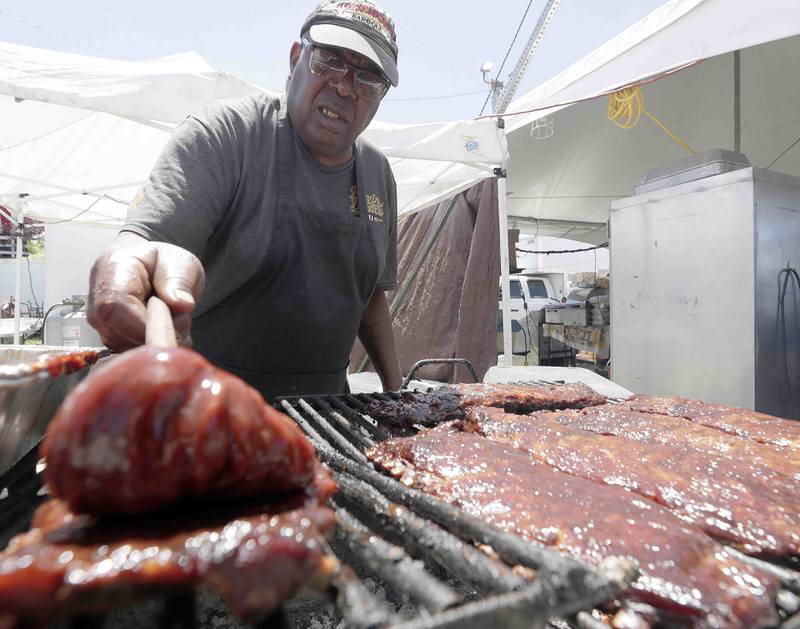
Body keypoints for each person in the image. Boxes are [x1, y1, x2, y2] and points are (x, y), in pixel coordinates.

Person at [87, 0, 403, 401]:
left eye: (367, 78)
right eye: (328, 61)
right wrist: (125, 262)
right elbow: (146, 241)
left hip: (330, 417)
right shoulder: (225, 136)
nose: (344, 86)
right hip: (211, 409)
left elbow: (372, 300)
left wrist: (398, 393)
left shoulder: (377, 174)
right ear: (295, 60)